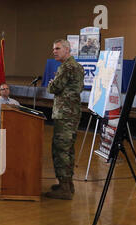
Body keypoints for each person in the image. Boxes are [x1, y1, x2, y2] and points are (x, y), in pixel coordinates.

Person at [46, 39, 84, 200]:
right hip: (73, 113)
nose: (54, 51)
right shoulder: (78, 66)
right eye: (53, 49)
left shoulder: (66, 66)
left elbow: (54, 88)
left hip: (65, 114)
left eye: (57, 48)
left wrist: (51, 84)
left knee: (61, 150)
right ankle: (68, 184)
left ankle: (64, 188)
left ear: (67, 50)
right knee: (68, 150)